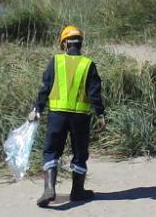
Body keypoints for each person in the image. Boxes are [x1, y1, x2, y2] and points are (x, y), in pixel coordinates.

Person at [30, 25, 105, 207]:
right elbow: (94, 92)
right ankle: (77, 191)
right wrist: (101, 114)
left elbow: (45, 88)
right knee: (80, 153)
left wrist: (37, 109)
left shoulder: (55, 62)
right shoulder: (88, 64)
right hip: (80, 117)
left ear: (64, 43)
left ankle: (49, 188)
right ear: (80, 44)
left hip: (57, 115)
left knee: (51, 151)